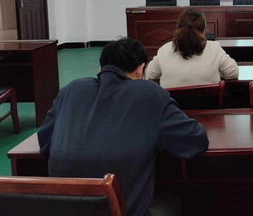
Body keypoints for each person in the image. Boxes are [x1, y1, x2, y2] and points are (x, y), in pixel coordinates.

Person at [38, 38, 209, 216]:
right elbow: (196, 140)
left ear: (100, 69)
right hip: (125, 211)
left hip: (66, 210)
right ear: (140, 70)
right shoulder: (149, 94)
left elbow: (45, 142)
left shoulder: (70, 90)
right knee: (176, 198)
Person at [145, 9, 239, 88]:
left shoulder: (164, 50)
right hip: (208, 104)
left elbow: (148, 75)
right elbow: (233, 73)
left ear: (178, 29)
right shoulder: (214, 48)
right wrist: (216, 71)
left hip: (173, 105)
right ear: (204, 31)